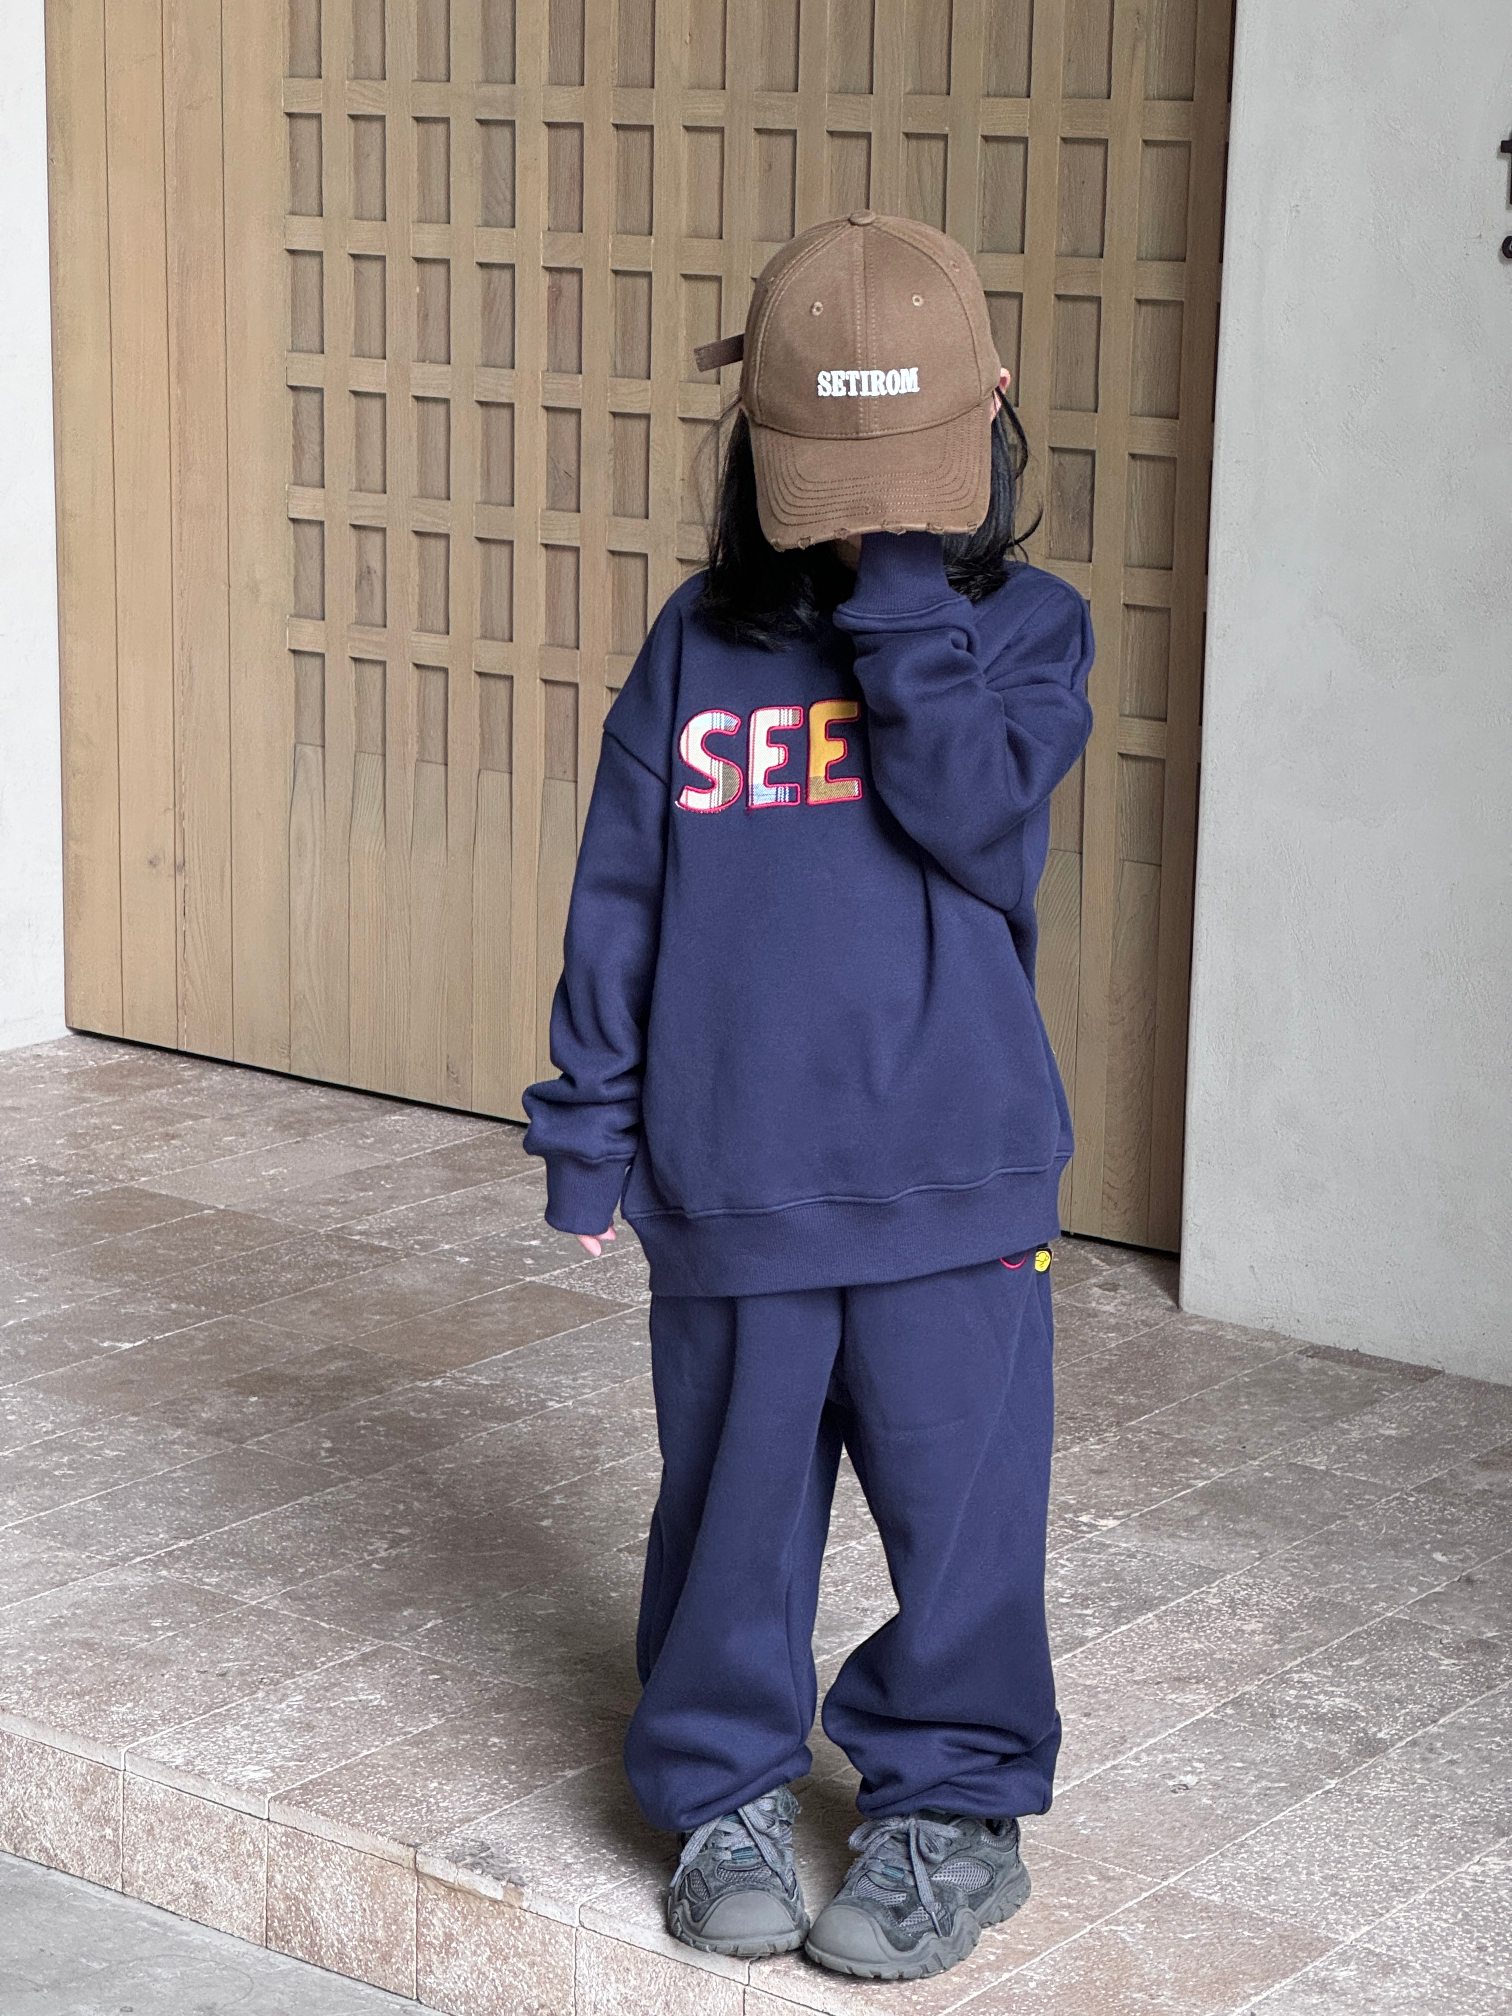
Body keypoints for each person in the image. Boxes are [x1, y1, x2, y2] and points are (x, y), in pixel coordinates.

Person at [521, 210, 1095, 1983]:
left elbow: (981, 821)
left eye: (898, 472)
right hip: (734, 1182)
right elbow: (621, 899)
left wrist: (901, 585)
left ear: (995, 406)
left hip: (958, 1183)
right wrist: (589, 1129)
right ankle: (723, 1791)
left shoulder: (1029, 635)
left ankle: (953, 1809)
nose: (864, 514)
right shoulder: (699, 647)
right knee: (730, 1521)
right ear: (758, 449)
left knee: (966, 1526)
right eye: (838, 482)